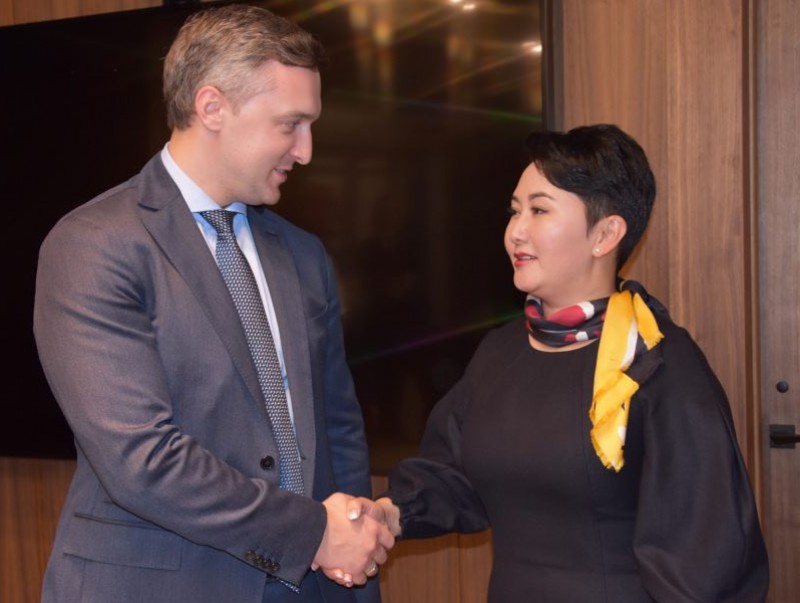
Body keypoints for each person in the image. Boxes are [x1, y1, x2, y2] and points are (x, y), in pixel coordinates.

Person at [33, 5, 392, 602]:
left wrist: (354, 562)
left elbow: (338, 431)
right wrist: (310, 533)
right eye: (290, 124)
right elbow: (141, 459)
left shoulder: (302, 254)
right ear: (212, 107)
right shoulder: (95, 244)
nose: (306, 151)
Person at [352, 124, 770, 601]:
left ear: (606, 234)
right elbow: (455, 474)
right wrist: (388, 514)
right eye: (514, 211)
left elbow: (707, 557)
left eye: (539, 210)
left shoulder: (657, 363)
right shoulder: (501, 351)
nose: (516, 231)